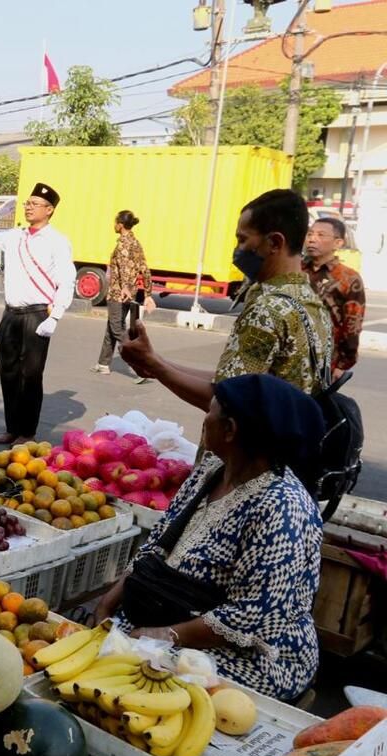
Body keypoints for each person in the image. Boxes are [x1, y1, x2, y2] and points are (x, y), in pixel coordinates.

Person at [93, 373, 324, 701]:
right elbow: (160, 542)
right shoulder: (211, 469)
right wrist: (108, 603)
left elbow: (253, 615)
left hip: (252, 654)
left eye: (211, 411)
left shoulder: (282, 506)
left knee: (137, 676)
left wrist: (165, 636)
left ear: (230, 430)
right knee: (106, 654)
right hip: (167, 613)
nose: (205, 419)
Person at [121, 189, 332, 411]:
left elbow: (226, 401)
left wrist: (154, 365)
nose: (237, 250)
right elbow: (229, 380)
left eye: (243, 239)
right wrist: (154, 362)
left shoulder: (268, 309)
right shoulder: (311, 300)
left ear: (275, 243)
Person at [0, 183, 75, 445]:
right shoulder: (15, 236)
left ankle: (27, 432)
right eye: (27, 203)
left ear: (50, 209)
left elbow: (67, 280)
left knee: (30, 375)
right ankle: (12, 427)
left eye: (35, 203)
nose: (28, 207)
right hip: (11, 313)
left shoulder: (58, 241)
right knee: (8, 371)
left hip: (37, 314)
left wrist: (55, 317)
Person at [93, 210, 154, 379]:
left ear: (120, 224)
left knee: (117, 328)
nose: (114, 225)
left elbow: (124, 270)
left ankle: (141, 366)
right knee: (111, 327)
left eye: (115, 222)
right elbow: (145, 269)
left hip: (118, 294)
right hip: (129, 293)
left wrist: (124, 287)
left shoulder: (122, 245)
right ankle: (103, 364)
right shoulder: (136, 243)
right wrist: (148, 293)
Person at [303, 217, 364, 378]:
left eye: (321, 235)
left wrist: (343, 364)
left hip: (324, 362)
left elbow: (353, 324)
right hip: (288, 356)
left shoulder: (348, 278)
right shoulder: (295, 270)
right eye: (310, 234)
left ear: (338, 243)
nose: (312, 239)